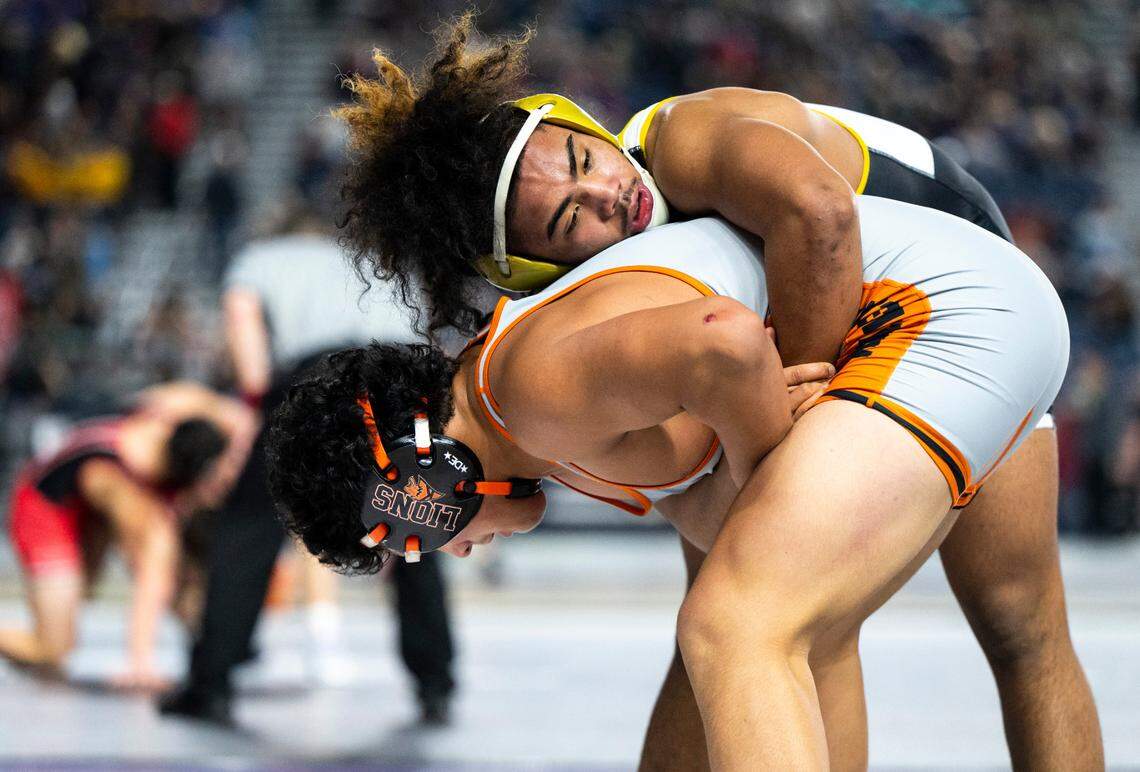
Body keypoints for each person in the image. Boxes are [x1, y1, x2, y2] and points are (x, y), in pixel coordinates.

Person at [333, 17, 1102, 769]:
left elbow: (822, 216)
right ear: (537, 270)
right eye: (570, 217)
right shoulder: (556, 364)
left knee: (994, 619)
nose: (606, 193)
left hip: (930, 265)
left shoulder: (680, 140)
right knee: (761, 607)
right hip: (886, 303)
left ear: (583, 123)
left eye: (580, 158)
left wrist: (781, 445)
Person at [266, 193, 1076, 767]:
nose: (456, 552)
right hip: (955, 301)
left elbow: (724, 343)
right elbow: (719, 493)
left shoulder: (528, 392)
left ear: (425, 477)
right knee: (786, 624)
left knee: (734, 626)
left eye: (417, 540)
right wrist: (760, 466)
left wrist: (767, 458)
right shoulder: (535, 419)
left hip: (939, 312)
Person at [159, 204, 457, 728]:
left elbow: (243, 323)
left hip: (316, 377)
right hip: (398, 380)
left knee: (249, 526)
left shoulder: (260, 259)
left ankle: (213, 682)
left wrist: (257, 403)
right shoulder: (377, 258)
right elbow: (425, 329)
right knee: (412, 525)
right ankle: (435, 683)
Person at [0, 382, 252, 690]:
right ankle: (202, 643)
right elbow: (153, 567)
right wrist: (140, 664)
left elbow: (234, 413)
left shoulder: (173, 418)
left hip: (90, 507)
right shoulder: (123, 480)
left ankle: (216, 642)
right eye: (217, 483)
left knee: (183, 575)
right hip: (45, 508)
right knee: (54, 649)